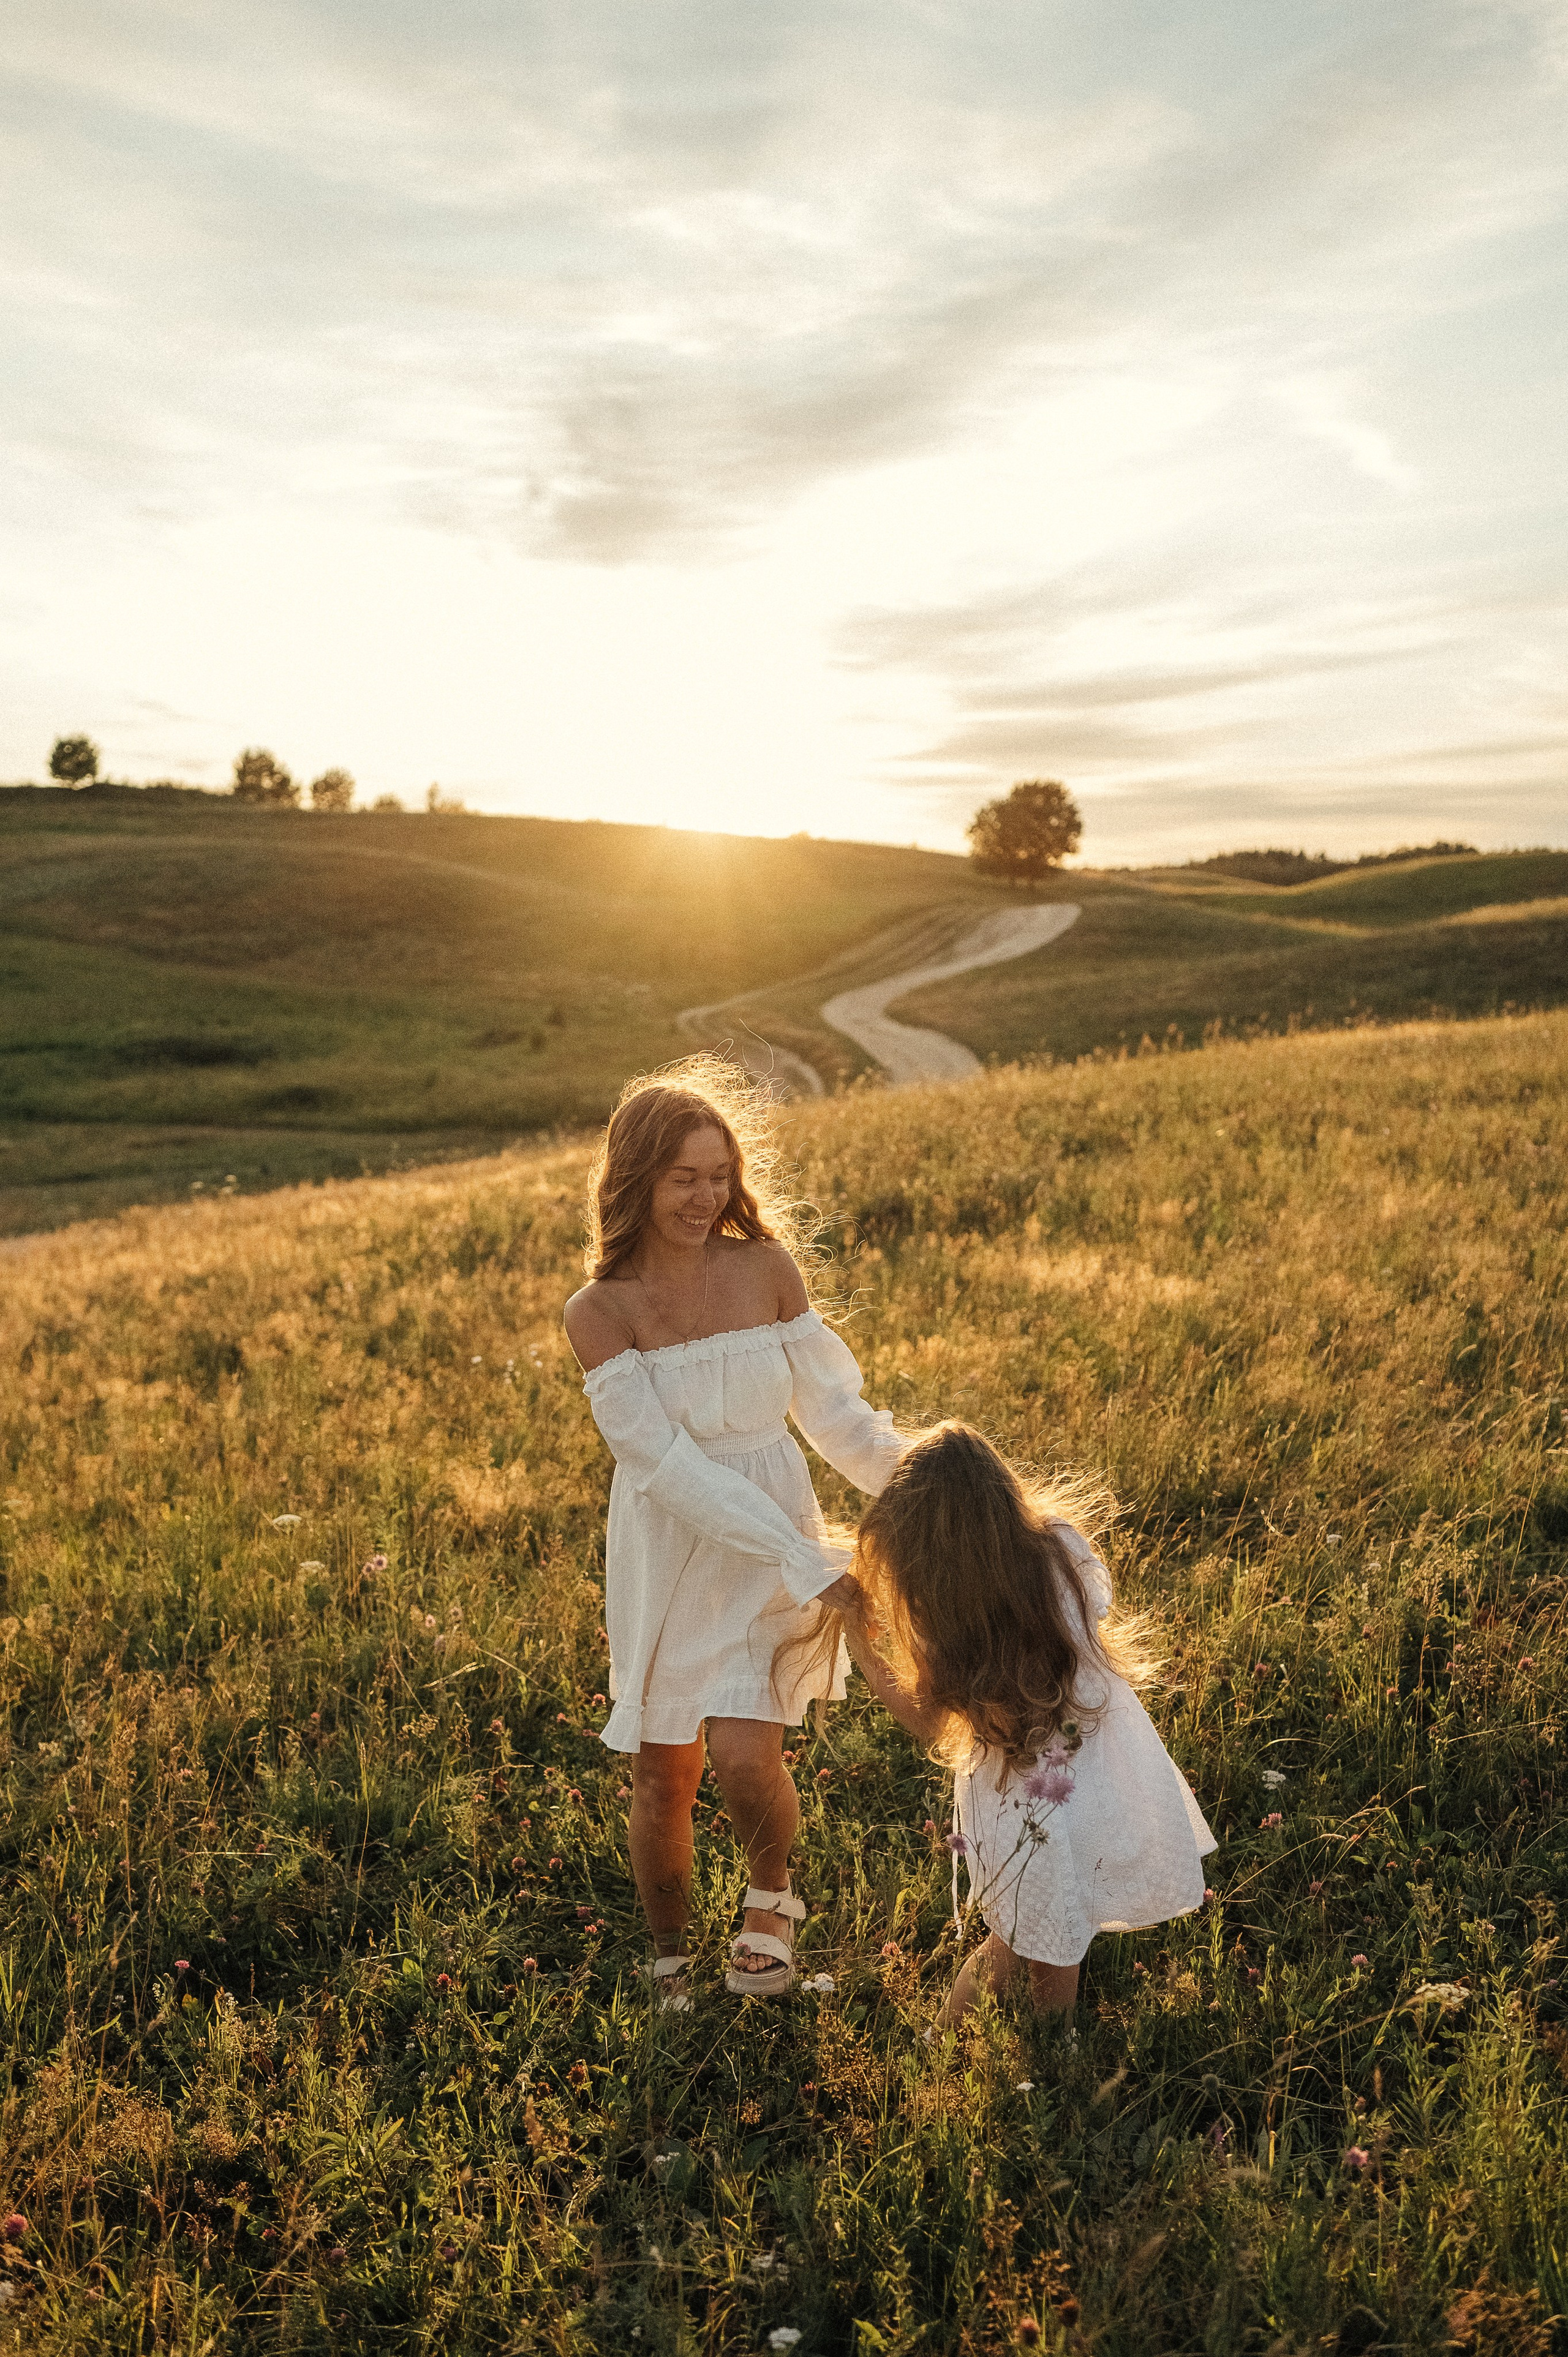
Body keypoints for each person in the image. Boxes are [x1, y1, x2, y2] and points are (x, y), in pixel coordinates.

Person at [563, 1059, 900, 2008]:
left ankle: (771, 1903)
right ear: (634, 1181)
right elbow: (666, 1471)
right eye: (684, 1179)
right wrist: (806, 1555)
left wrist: (933, 1485)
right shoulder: (600, 1312)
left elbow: (841, 1420)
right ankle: (669, 1958)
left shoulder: (767, 1269)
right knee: (664, 1774)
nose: (707, 1198)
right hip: (672, 1548)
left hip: (775, 1535)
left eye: (719, 1175)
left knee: (750, 1758)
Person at [835, 1421, 1214, 2023]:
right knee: (1045, 1937)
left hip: (1017, 1798)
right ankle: (1032, 2057)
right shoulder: (1063, 1549)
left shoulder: (949, 1618)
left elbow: (928, 1721)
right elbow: (1096, 1604)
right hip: (1094, 1771)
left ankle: (985, 2051)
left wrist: (861, 1638)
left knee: (1030, 1934)